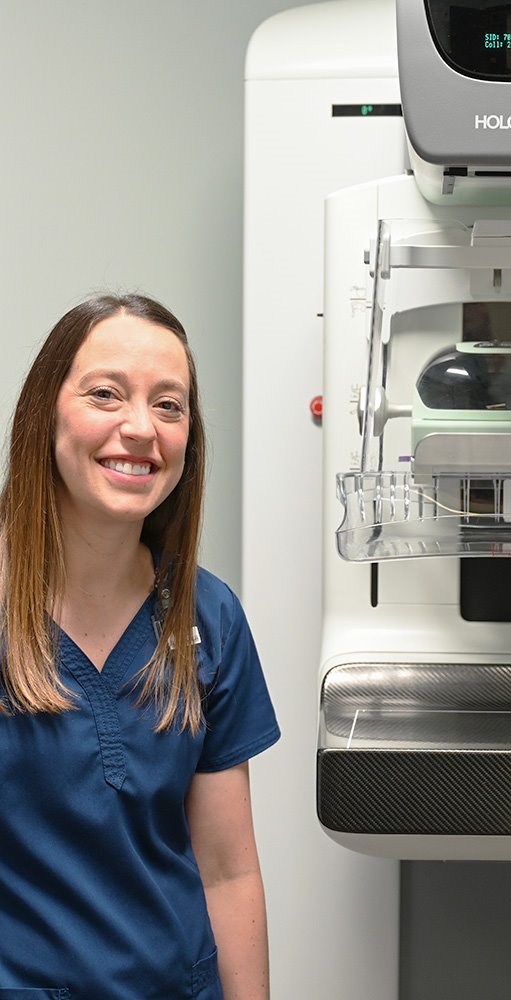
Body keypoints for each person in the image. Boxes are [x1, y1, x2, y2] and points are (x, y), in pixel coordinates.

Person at [0, 293, 280, 998]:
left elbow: (228, 870)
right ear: (44, 414)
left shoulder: (207, 618)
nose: (139, 428)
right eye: (105, 394)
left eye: (169, 406)